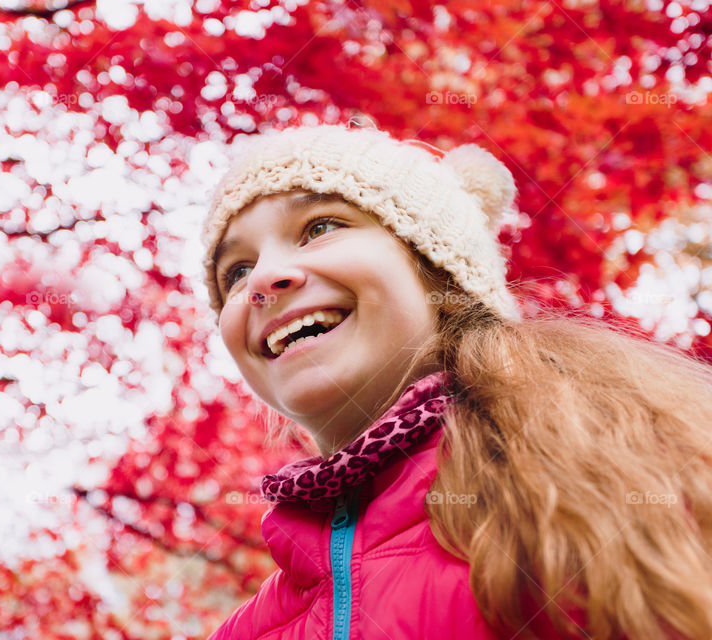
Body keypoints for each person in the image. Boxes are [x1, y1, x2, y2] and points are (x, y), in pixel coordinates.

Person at [198, 124, 712, 640]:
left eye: (320, 227)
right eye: (236, 271)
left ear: (438, 271)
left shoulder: (643, 473)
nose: (262, 280)